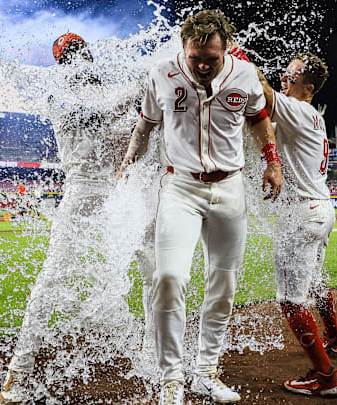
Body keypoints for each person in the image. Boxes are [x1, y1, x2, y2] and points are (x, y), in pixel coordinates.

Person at [119, 10, 283, 405]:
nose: (204, 65)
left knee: (223, 285)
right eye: (196, 58)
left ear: (226, 48)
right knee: (169, 278)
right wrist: (128, 162)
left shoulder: (245, 73)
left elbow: (259, 119)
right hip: (180, 187)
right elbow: (145, 125)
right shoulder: (161, 72)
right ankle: (171, 379)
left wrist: (272, 161)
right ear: (183, 48)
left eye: (212, 57)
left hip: (230, 188)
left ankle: (206, 372)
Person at [0, 33, 155, 405]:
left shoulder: (104, 89)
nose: (79, 58)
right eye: (71, 54)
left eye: (82, 51)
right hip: (82, 193)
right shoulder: (59, 94)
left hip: (118, 192)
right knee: (52, 279)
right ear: (63, 63)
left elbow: (134, 133)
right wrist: (136, 86)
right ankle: (16, 375)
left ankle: (154, 358)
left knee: (155, 269)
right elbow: (93, 117)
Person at [257, 52, 337, 397]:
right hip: (320, 209)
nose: (284, 78)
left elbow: (263, 95)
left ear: (308, 88)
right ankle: (335, 338)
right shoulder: (310, 116)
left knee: (291, 301)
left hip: (302, 214)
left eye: (291, 76)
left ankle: (326, 378)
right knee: (315, 282)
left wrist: (235, 56)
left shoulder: (298, 109)